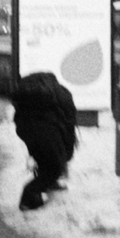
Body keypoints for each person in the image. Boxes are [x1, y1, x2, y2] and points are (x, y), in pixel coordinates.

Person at [12, 71, 77, 210]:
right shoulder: (62, 97)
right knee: (55, 167)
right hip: (45, 130)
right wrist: (67, 153)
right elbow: (69, 125)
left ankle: (48, 183)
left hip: (25, 128)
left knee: (43, 158)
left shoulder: (35, 98)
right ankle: (28, 197)